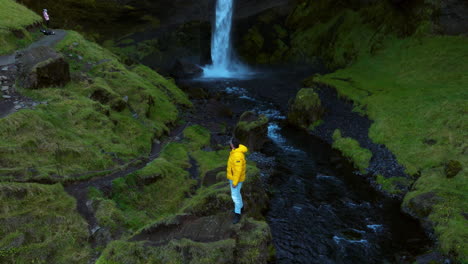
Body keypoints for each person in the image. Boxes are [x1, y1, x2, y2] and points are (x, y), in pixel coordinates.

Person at [226, 138, 248, 224]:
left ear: (232, 145)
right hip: (234, 178)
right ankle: (241, 208)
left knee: (234, 196)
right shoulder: (235, 151)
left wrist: (235, 182)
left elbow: (238, 171)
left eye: (230, 143)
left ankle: (237, 214)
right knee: (237, 194)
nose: (229, 144)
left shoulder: (237, 155)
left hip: (236, 180)